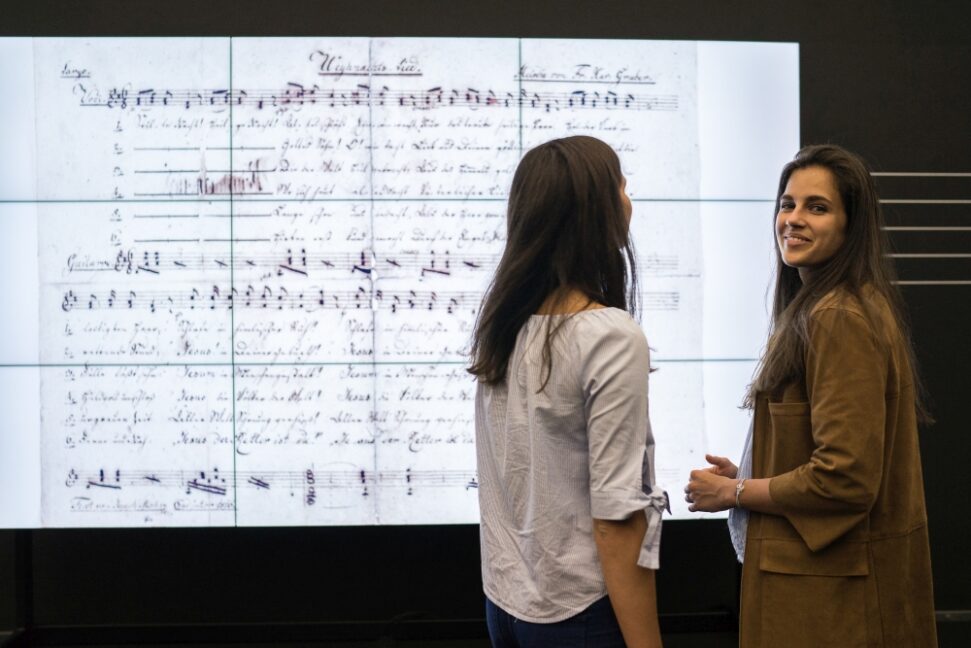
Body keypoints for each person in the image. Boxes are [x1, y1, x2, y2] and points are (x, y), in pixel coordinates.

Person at [684, 144, 937, 647]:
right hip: (826, 596)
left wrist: (735, 493)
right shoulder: (825, 307)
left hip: (834, 605)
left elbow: (844, 477)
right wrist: (754, 474)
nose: (793, 220)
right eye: (787, 204)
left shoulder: (838, 317)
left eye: (816, 208)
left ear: (851, 224)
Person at [469, 135, 668, 648]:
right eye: (621, 185)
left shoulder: (505, 323)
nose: (630, 198)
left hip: (506, 605)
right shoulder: (609, 334)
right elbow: (617, 519)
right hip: (581, 613)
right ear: (593, 210)